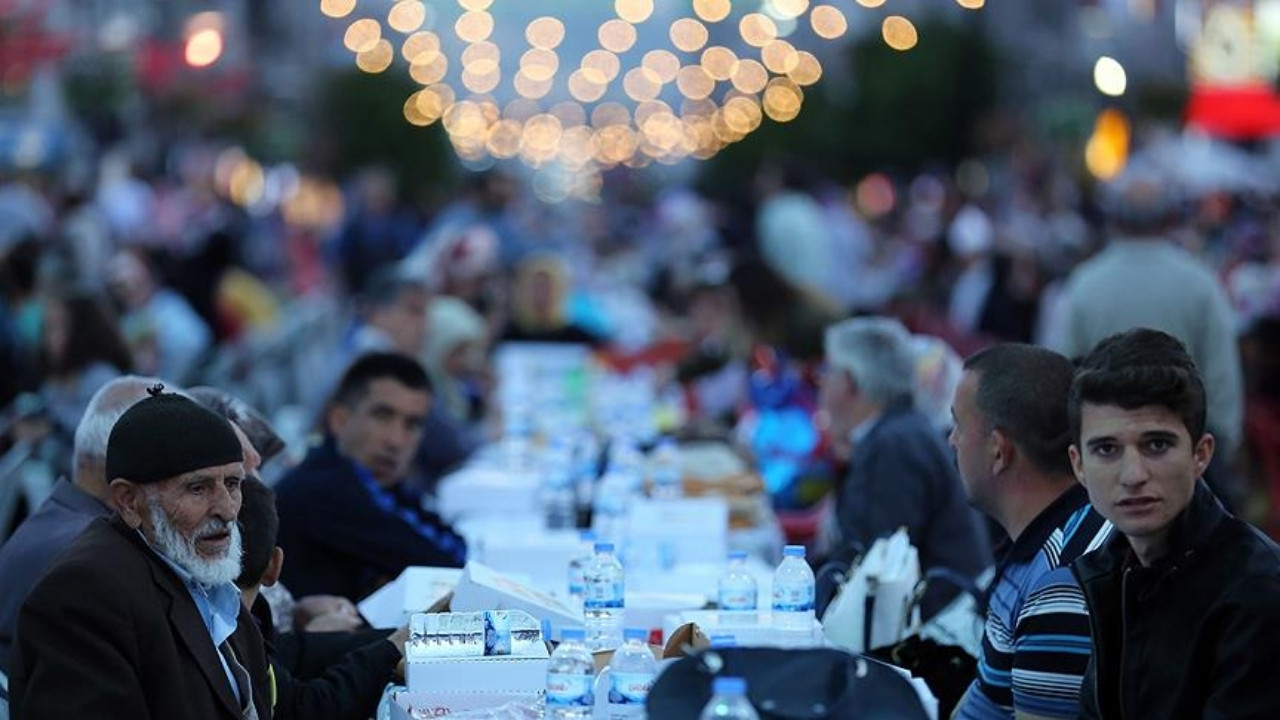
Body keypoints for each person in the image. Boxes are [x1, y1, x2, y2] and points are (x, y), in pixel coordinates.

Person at [9, 386, 273, 719]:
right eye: (198, 488)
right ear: (129, 501)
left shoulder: (200, 570)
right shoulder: (84, 593)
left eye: (232, 484)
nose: (227, 510)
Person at [1068, 328, 1280, 718]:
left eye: (1157, 445)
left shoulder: (1258, 592)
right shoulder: (1106, 571)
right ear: (1078, 465)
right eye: (1107, 449)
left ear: (1201, 455)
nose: (1133, 475)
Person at [1055, 167, 1244, 505]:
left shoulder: (1084, 284)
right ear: (1171, 216)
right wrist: (1220, 448)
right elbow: (1223, 376)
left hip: (1107, 463)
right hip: (1187, 461)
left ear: (1114, 218)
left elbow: (1059, 372)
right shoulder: (1200, 282)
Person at [949, 345, 1112, 720]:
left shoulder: (1061, 584)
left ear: (998, 451)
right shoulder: (1041, 547)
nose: (951, 441)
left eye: (958, 425)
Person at [820, 317, 991, 618]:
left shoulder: (894, 445)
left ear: (848, 382)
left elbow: (874, 568)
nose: (822, 383)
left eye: (827, 372)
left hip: (937, 625)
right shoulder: (899, 431)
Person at [275, 353, 467, 601]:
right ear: (339, 420)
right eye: (382, 416)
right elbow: (449, 566)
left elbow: (451, 548)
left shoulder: (374, 480)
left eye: (411, 424)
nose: (395, 440)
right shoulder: (327, 487)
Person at [0, 375, 159, 672]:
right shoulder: (95, 556)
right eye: (196, 486)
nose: (226, 507)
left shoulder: (59, 523)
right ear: (129, 488)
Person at [237, 478, 406, 720]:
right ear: (274, 566)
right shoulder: (222, 633)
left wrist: (404, 638)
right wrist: (390, 650)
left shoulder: (232, 618)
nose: (225, 500)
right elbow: (304, 708)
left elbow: (292, 651)